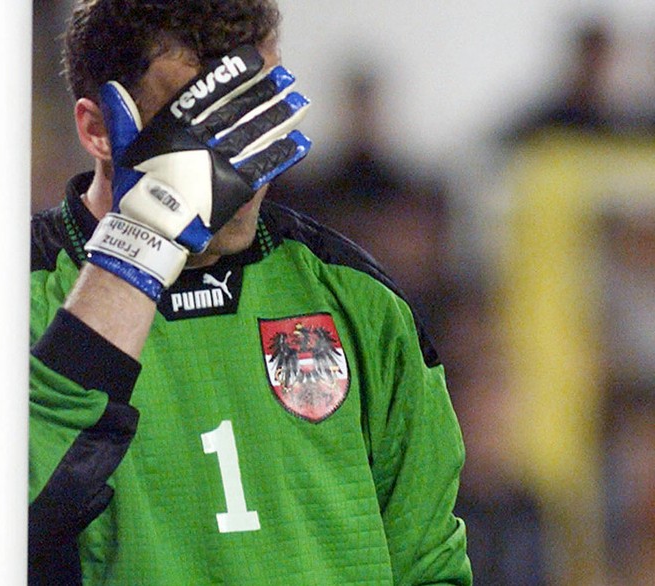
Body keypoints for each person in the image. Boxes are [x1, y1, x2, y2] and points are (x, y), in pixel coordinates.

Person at [28, 1, 471, 584]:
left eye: (253, 115)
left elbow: (429, 564)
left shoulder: (358, 299)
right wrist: (144, 239)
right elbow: (10, 515)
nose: (235, 165)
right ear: (97, 129)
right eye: (197, 126)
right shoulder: (13, 296)